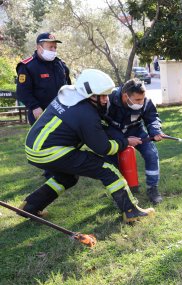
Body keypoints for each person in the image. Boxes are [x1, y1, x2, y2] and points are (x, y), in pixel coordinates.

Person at [19, 69, 155, 223]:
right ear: (89, 93)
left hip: (33, 148)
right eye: (102, 95)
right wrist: (126, 142)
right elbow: (103, 148)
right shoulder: (85, 113)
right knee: (108, 170)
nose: (105, 100)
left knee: (67, 177)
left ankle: (30, 206)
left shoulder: (69, 93)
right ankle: (131, 212)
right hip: (50, 151)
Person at [104, 78, 166, 204]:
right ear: (125, 96)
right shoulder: (108, 100)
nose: (141, 102)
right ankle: (120, 194)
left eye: (142, 98)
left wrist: (156, 132)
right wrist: (123, 141)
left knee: (151, 154)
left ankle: (152, 189)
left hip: (136, 131)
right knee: (112, 164)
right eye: (137, 100)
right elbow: (99, 122)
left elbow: (152, 119)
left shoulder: (146, 102)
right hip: (113, 133)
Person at [16, 32, 72, 125]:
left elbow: (68, 86)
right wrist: (34, 107)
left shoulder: (60, 64)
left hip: (62, 112)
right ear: (39, 48)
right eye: (50, 47)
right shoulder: (27, 66)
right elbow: (22, 91)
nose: (54, 50)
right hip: (41, 113)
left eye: (55, 47)